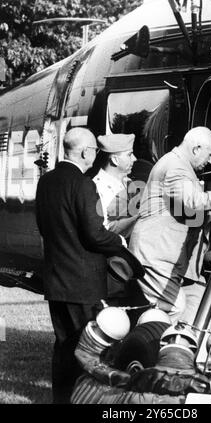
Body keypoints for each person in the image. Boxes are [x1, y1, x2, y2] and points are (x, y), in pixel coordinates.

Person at [35, 127, 124, 404]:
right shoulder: (85, 184)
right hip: (83, 282)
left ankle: (62, 399)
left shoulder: (46, 181)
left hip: (56, 278)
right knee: (88, 347)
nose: (96, 155)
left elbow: (43, 226)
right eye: (95, 151)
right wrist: (119, 241)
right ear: (86, 151)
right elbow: (94, 233)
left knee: (64, 345)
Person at [129, 126, 211, 325]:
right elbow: (192, 201)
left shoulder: (177, 164)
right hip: (157, 254)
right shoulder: (176, 167)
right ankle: (145, 348)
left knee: (194, 299)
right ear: (197, 148)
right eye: (210, 154)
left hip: (172, 256)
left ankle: (180, 349)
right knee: (173, 306)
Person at [93, 133, 138, 240]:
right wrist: (140, 217)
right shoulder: (98, 188)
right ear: (115, 160)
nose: (135, 159)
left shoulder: (128, 182)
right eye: (129, 154)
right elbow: (104, 229)